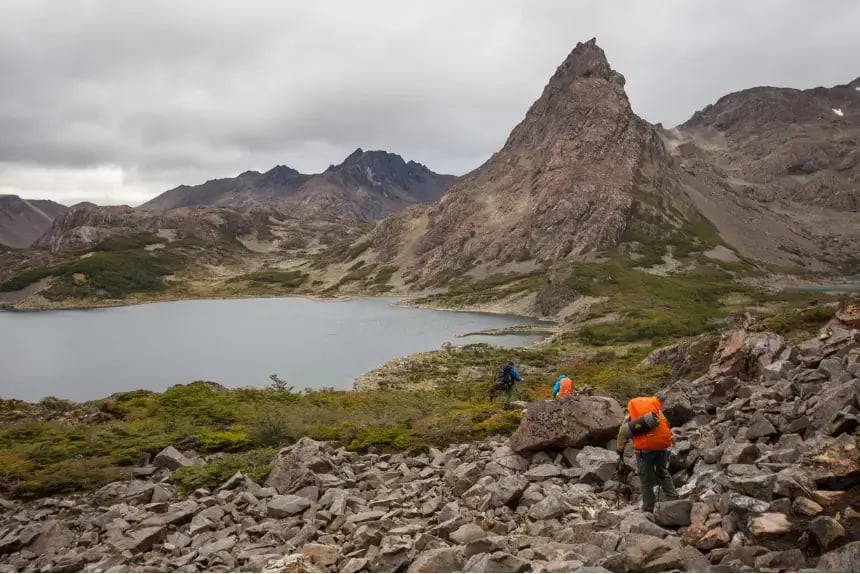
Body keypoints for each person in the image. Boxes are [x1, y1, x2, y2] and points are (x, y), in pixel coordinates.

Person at [615, 396, 678, 513]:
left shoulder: (631, 416)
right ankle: (673, 497)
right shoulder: (657, 412)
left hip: (644, 452)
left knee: (646, 480)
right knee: (663, 473)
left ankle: (648, 507)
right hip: (661, 448)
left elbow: (622, 434)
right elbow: (667, 425)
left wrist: (620, 450)